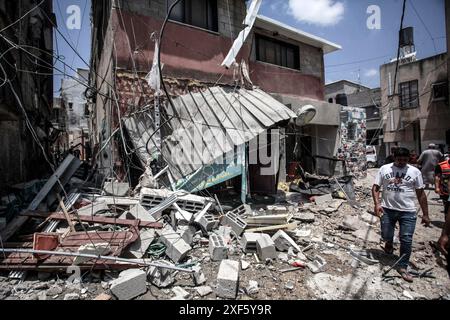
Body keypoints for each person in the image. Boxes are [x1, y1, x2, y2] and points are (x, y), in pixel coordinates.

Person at [372, 147, 430, 282]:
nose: (402, 162)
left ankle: (403, 266)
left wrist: (426, 214)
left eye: (405, 159)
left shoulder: (415, 172)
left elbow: (421, 194)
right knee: (386, 234)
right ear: (394, 157)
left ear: (409, 159)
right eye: (399, 159)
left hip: (408, 211)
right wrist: (377, 204)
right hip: (387, 209)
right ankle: (389, 242)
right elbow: (376, 188)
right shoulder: (384, 169)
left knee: (406, 239)